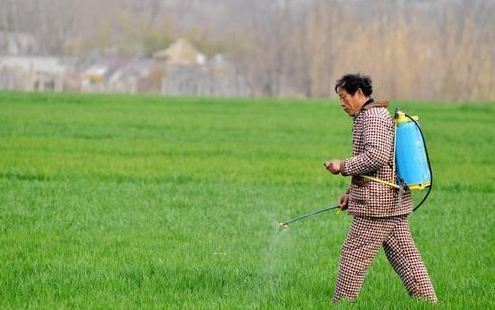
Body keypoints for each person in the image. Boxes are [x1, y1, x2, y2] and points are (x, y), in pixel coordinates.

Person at [324, 73, 437, 303]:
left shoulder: (373, 117)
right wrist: (349, 195)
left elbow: (376, 156)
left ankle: (341, 304)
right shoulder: (369, 115)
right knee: (406, 257)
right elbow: (373, 167)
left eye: (345, 97)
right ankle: (428, 303)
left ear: (359, 93)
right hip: (390, 202)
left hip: (377, 206)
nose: (342, 104)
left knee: (352, 256)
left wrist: (342, 165)